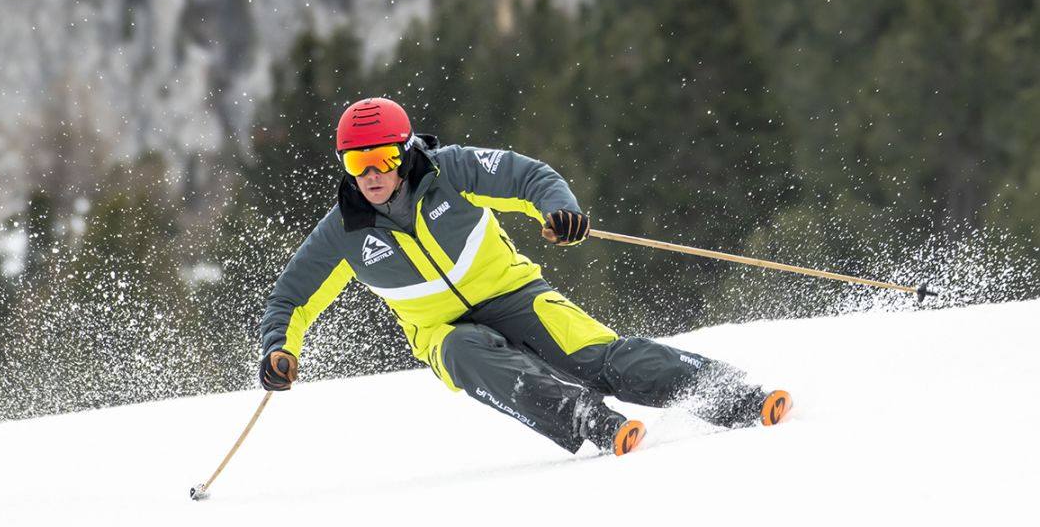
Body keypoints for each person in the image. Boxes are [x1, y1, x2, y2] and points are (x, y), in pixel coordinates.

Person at [258, 97, 792, 456]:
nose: (370, 174)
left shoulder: (451, 169)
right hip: (442, 332)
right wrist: (279, 351)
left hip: (515, 294)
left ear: (404, 151)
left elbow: (528, 175)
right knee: (469, 354)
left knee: (594, 355)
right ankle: (588, 421)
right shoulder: (342, 233)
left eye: (379, 157)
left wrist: (557, 210)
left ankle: (732, 395)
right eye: (356, 164)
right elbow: (292, 299)